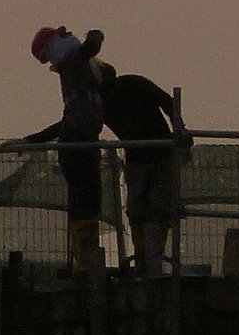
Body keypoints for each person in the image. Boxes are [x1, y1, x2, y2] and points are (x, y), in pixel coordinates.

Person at [94, 62, 192, 280]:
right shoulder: (130, 84)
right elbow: (167, 101)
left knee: (142, 213)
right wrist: (179, 128)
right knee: (155, 212)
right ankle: (150, 264)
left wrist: (179, 129)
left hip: (148, 159)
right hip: (157, 156)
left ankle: (143, 264)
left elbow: (70, 124)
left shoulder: (102, 100)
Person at [21, 25, 106, 273]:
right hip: (80, 144)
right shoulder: (74, 65)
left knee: (84, 201)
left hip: (79, 142)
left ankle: (86, 259)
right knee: (86, 200)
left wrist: (34, 139)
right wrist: (95, 35)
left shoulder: (73, 72)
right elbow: (90, 47)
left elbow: (67, 122)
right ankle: (86, 260)